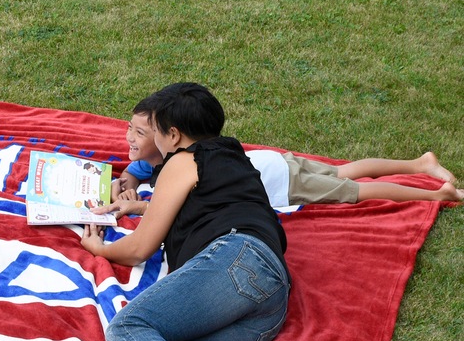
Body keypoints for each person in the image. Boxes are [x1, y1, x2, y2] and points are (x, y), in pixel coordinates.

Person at [81, 83, 291, 341]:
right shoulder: (232, 157)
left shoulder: (182, 160)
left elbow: (140, 248)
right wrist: (139, 204)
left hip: (237, 261)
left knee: (127, 328)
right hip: (268, 306)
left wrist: (99, 249)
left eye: (155, 130)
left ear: (173, 135)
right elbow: (200, 205)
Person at [109, 97, 461, 214]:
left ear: (170, 136)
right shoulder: (156, 159)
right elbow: (134, 172)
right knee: (344, 171)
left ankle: (436, 195)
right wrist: (126, 184)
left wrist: (135, 205)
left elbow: (169, 209)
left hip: (278, 181)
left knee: (356, 190)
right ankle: (420, 164)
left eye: (141, 133)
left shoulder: (177, 166)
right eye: (131, 128)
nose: (130, 138)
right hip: (269, 161)